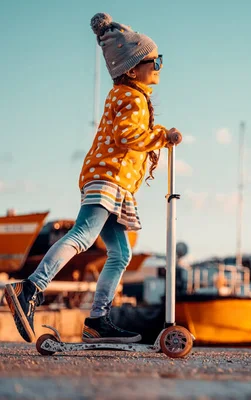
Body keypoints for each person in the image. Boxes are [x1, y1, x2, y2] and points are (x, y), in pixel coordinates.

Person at [4, 12, 183, 344]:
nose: (158, 66)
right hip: (107, 179)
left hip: (114, 184)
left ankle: (98, 319)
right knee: (84, 235)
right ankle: (29, 288)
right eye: (153, 61)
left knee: (120, 253)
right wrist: (162, 136)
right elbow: (129, 136)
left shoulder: (128, 96)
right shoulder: (130, 97)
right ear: (132, 69)